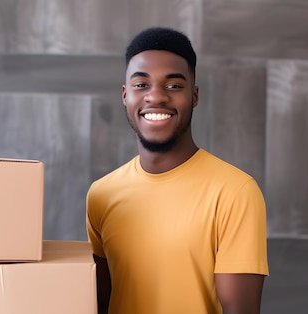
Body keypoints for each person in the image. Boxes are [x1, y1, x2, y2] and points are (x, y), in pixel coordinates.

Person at [86, 27, 269, 314]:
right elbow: (101, 301)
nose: (156, 97)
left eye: (173, 86)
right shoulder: (101, 194)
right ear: (125, 95)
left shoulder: (235, 192)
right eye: (141, 85)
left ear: (194, 96)